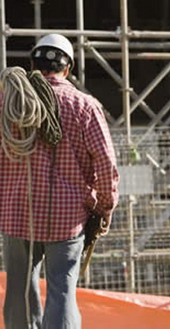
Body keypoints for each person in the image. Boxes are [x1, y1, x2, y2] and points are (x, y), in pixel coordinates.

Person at [0, 34, 119, 329]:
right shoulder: (84, 106)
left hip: (15, 214)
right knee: (62, 290)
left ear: (32, 65)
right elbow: (105, 163)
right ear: (68, 68)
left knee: (19, 290)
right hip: (67, 219)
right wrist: (105, 207)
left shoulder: (6, 103)